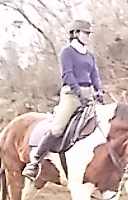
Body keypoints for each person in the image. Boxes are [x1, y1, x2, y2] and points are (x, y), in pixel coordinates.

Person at [22, 19, 105, 180]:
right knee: (58, 128)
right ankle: (35, 161)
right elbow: (67, 74)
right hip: (71, 95)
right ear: (76, 33)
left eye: (89, 33)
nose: (88, 36)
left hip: (89, 94)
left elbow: (94, 75)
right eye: (86, 33)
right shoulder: (67, 52)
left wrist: (99, 90)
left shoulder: (89, 55)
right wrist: (79, 93)